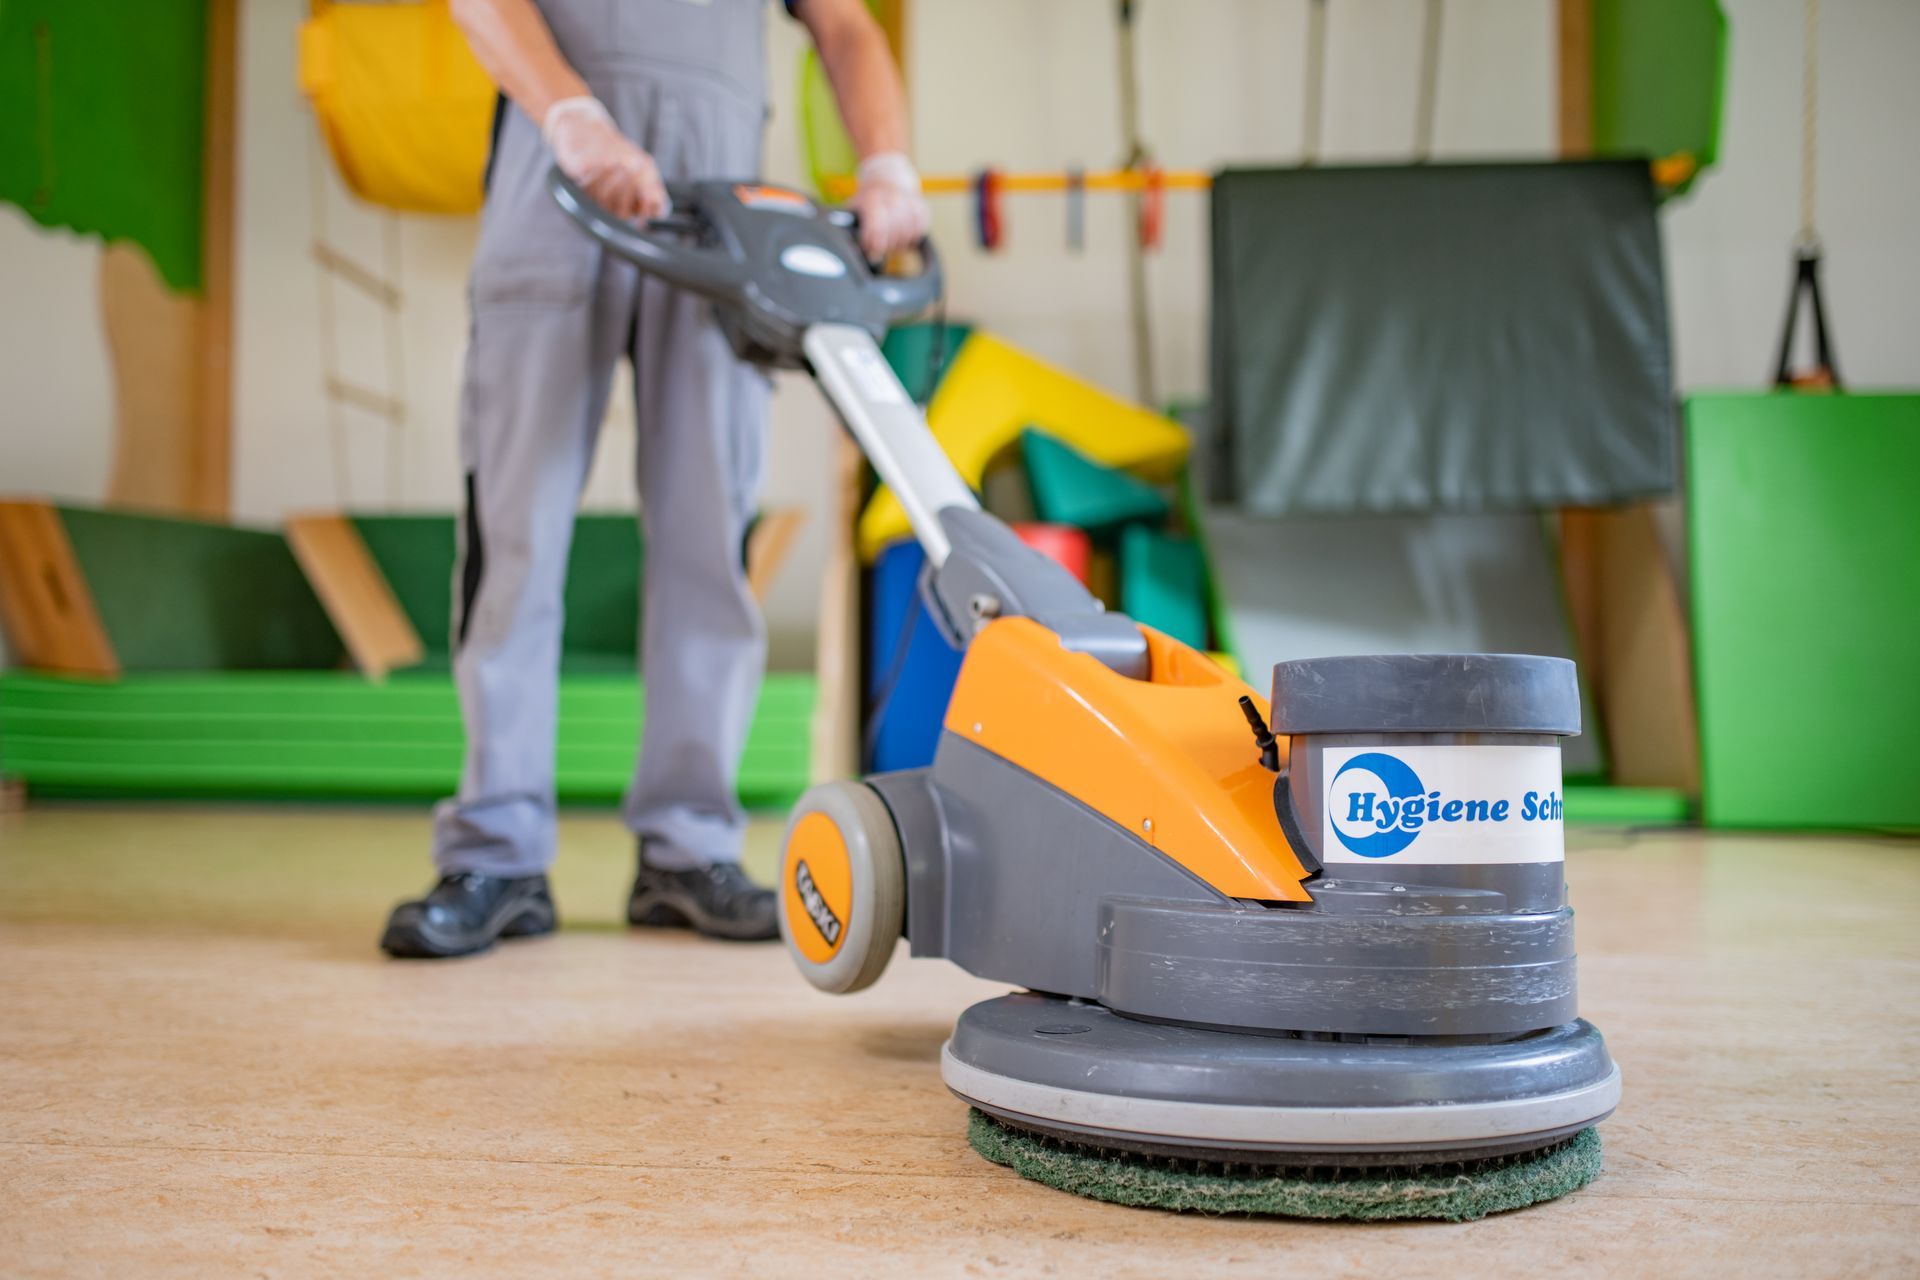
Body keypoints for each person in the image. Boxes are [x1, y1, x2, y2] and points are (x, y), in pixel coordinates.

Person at [380, 0, 926, 958]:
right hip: (554, 176)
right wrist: (569, 114)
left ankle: (688, 849)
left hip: (725, 219)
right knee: (515, 537)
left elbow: (846, 25)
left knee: (710, 541)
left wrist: (886, 161)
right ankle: (496, 852)